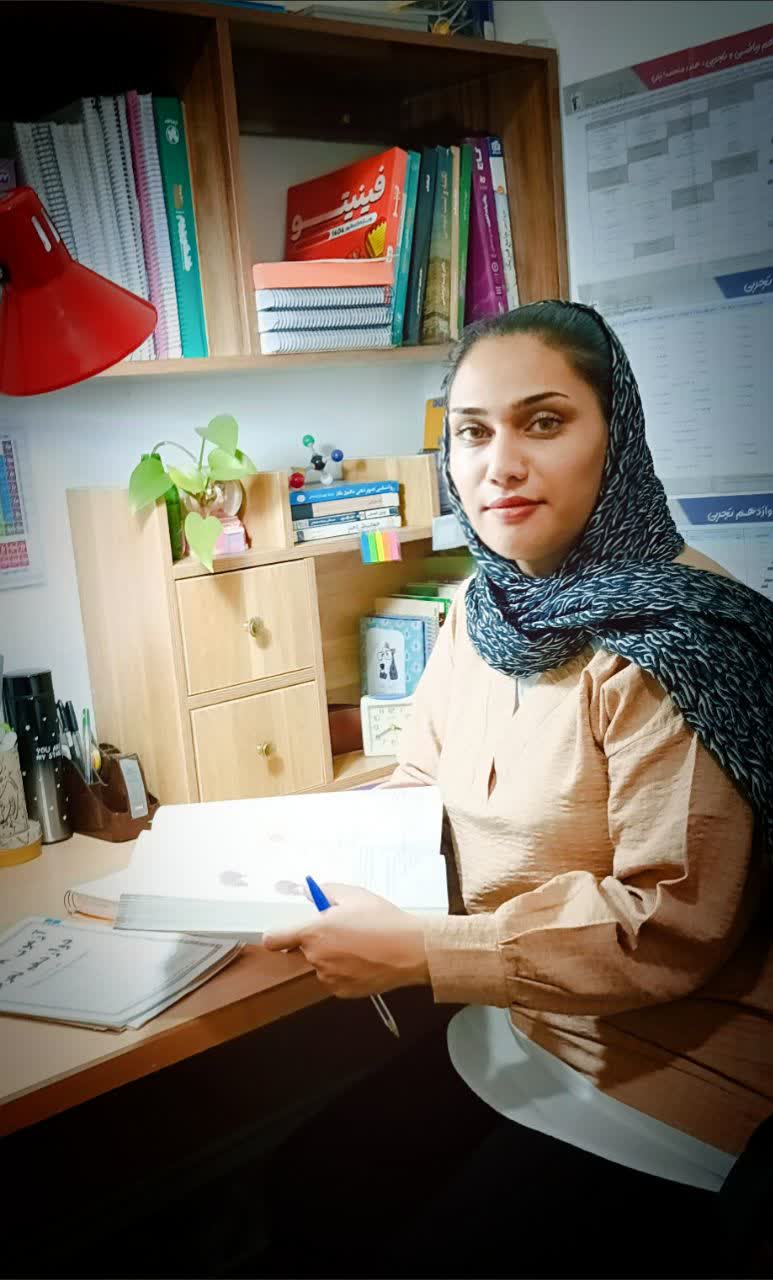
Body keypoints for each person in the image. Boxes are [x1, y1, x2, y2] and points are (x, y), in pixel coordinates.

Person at [259, 302, 773, 1279]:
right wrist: (288, 864)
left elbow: (667, 925)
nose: (499, 464)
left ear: (615, 437)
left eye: (542, 421)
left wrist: (420, 950)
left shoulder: (677, 641)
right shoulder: (484, 605)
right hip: (528, 1022)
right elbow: (421, 780)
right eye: (471, 431)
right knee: (308, 1184)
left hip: (680, 1076)